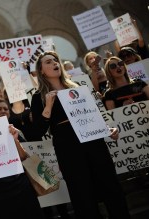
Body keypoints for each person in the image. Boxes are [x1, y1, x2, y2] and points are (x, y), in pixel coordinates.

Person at [30, 51, 131, 219]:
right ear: (41, 70)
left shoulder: (75, 87)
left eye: (56, 60)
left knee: (111, 186)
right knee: (82, 193)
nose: (55, 63)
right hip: (67, 146)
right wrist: (47, 107)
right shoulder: (38, 97)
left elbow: (91, 116)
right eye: (48, 62)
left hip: (93, 142)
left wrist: (106, 129)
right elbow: (37, 132)